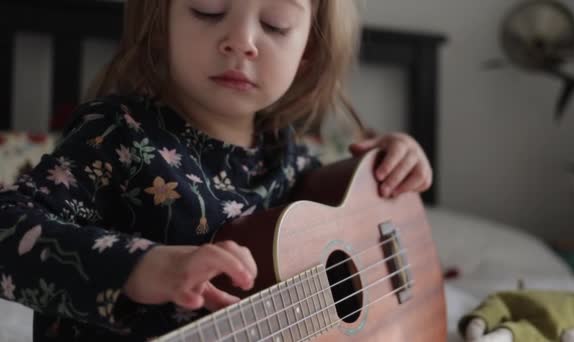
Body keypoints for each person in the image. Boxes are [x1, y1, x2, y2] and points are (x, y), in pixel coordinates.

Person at [0, 0, 433, 340]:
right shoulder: (118, 136)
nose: (242, 40)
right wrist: (140, 267)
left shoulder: (293, 164)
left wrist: (395, 168)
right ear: (160, 20)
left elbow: (361, 236)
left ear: (309, 50)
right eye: (207, 10)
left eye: (277, 23)